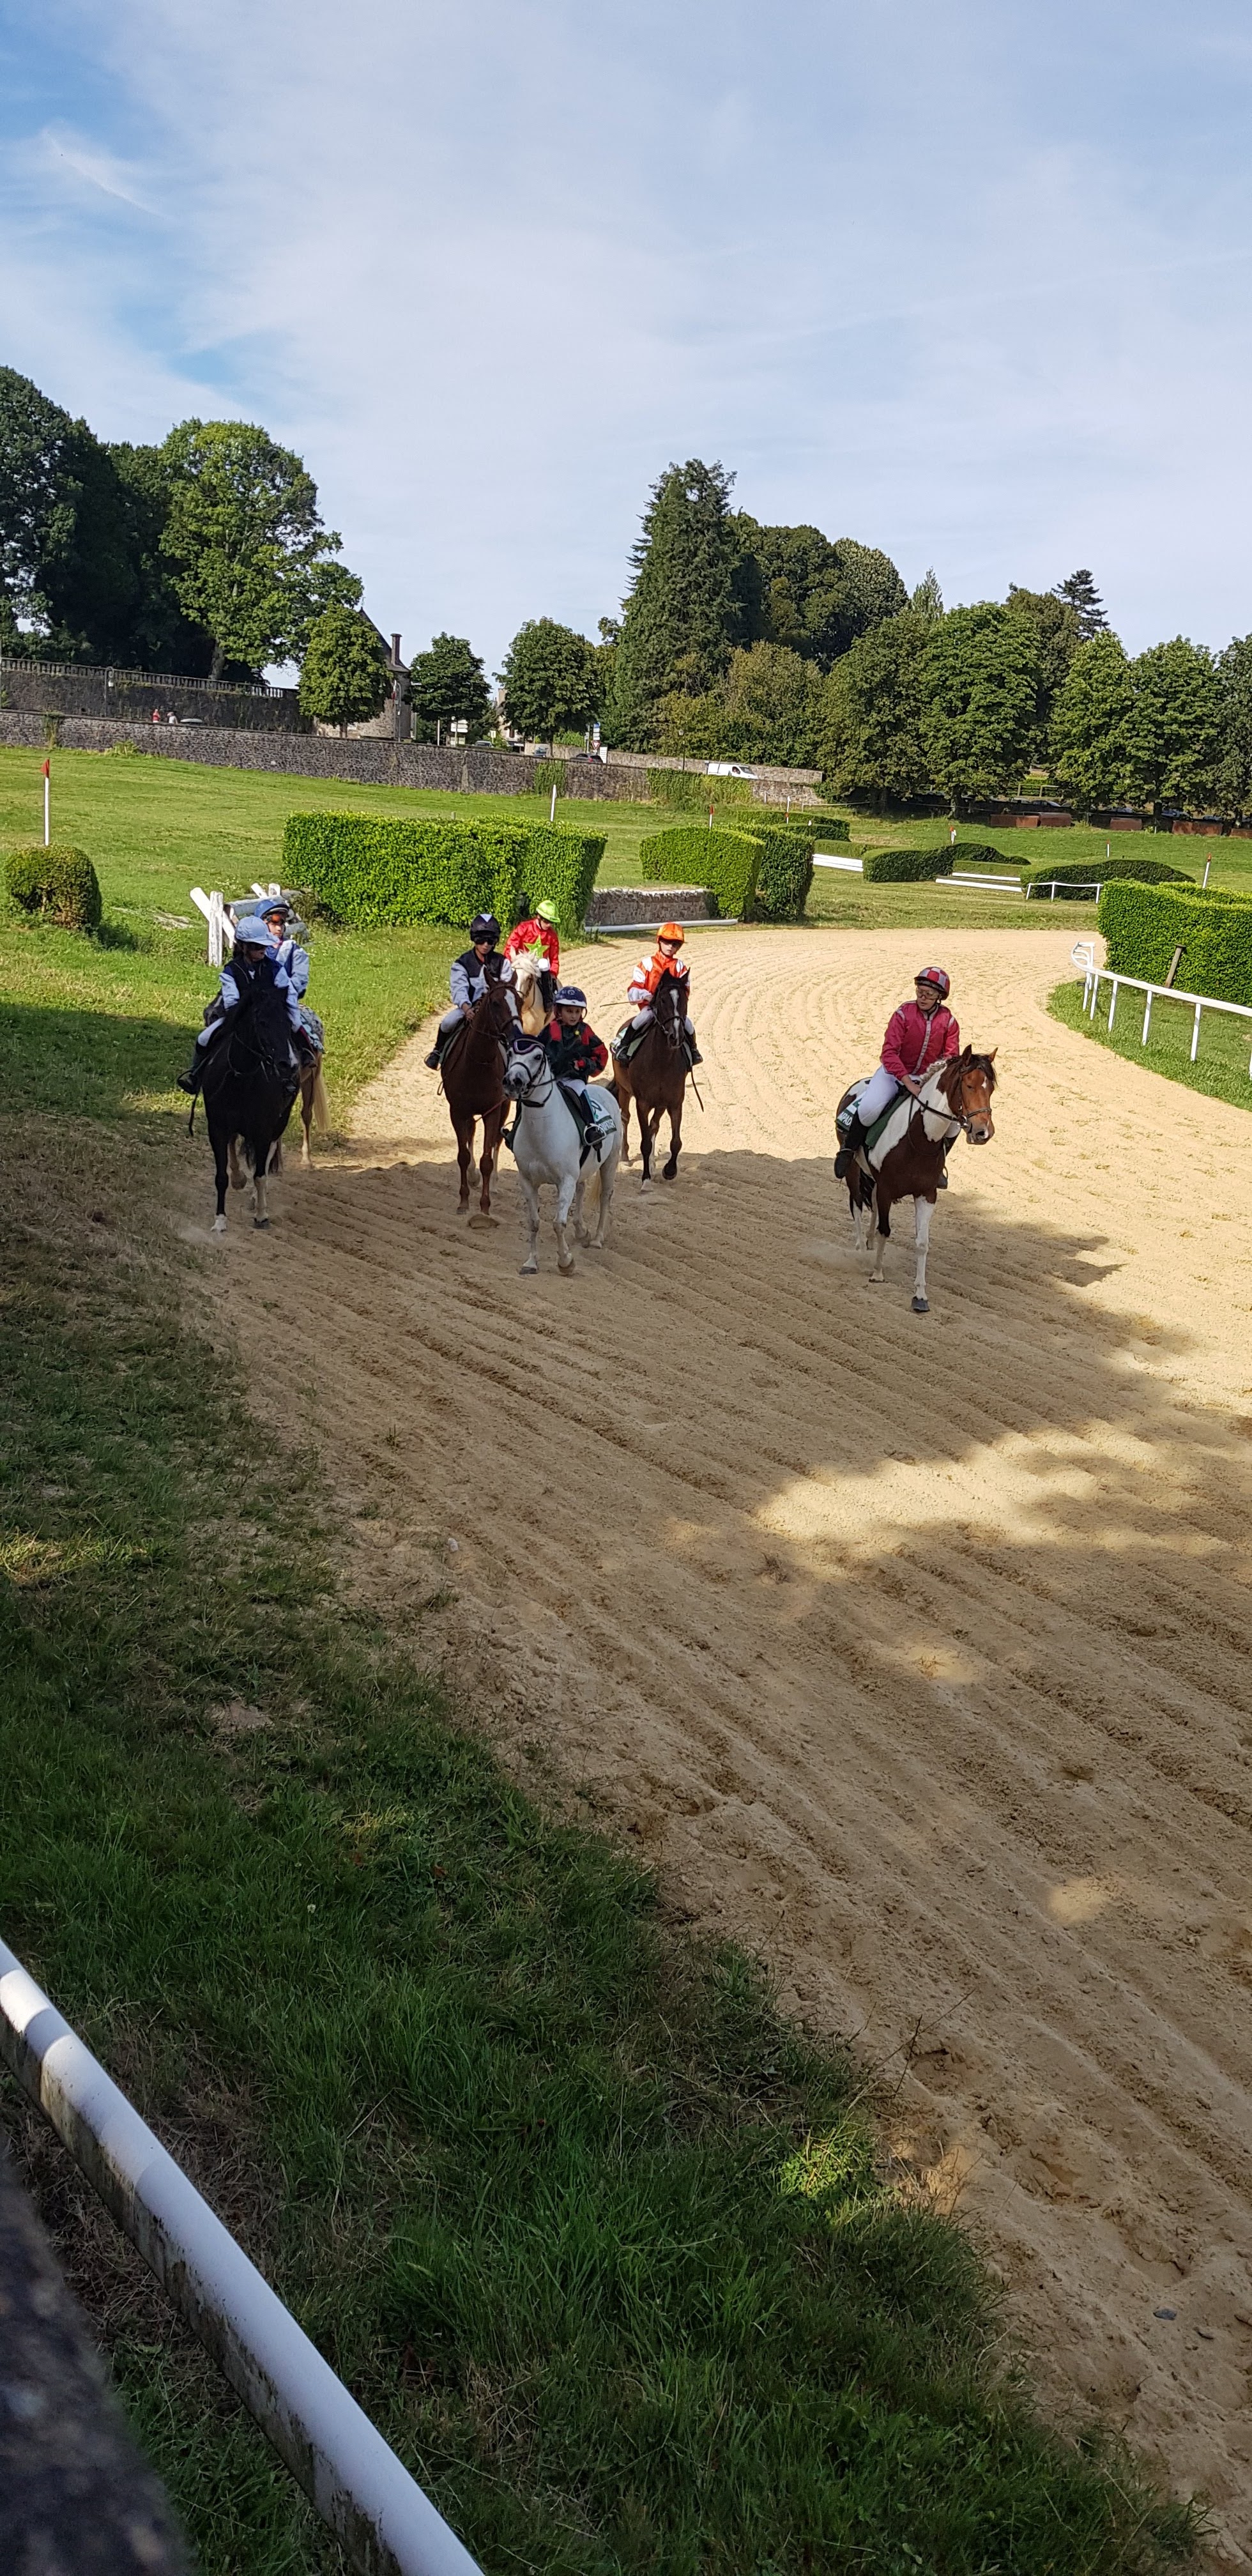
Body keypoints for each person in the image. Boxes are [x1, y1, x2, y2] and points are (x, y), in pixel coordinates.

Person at [834, 967, 960, 1181]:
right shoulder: (903, 1014)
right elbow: (889, 1053)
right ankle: (849, 1150)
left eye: (929, 994)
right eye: (920, 992)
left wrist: (933, 1082)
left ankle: (938, 1165)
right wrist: (907, 1081)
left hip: (927, 1079)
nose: (923, 997)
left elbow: (950, 1057)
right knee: (868, 1110)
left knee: (954, 1124)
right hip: (893, 1074)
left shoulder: (949, 1021)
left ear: (940, 996)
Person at [176, 918, 308, 1095]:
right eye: (257, 946)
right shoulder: (231, 971)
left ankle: (293, 1074)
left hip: (271, 1015)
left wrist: (294, 1019)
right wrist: (246, 1015)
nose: (263, 949)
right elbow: (231, 1001)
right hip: (239, 1016)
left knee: (294, 1034)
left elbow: (289, 994)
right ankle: (195, 1076)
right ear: (244, 947)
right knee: (204, 1038)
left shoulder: (275, 968)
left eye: (264, 945)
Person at [611, 923, 701, 1066]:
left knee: (688, 1024)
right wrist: (645, 995)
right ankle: (624, 1046)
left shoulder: (680, 967)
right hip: (651, 1008)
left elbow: (685, 991)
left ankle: (693, 1050)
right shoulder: (647, 964)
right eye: (667, 942)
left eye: (675, 944)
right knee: (643, 1017)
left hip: (671, 1010)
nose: (670, 947)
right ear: (659, 941)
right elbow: (635, 987)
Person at [425, 912, 503, 1068]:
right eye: (481, 940)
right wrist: (467, 1009)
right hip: (469, 1009)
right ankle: (438, 1051)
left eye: (490, 941)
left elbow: (507, 988)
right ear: (474, 939)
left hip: (496, 1011)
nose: (486, 945)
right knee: (448, 1022)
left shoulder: (503, 962)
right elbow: (459, 990)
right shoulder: (462, 963)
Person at [257, 892, 326, 1064]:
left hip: (283, 1001)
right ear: (261, 923)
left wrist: (284, 993)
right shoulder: (252, 949)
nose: (279, 927)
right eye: (274, 922)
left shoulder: (294, 950)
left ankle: (307, 1052)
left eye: (282, 922)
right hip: (252, 1001)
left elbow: (300, 980)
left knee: (295, 1024)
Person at [544, 983, 610, 1159]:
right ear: (559, 1011)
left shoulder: (585, 1031)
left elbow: (602, 1054)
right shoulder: (551, 1029)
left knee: (581, 1092)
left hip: (574, 1080)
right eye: (569, 1011)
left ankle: (591, 1128)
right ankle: (516, 1129)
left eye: (577, 1012)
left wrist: (583, 1064)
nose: (574, 1016)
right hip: (550, 1079)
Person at [502, 898, 561, 1013]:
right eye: (546, 921)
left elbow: (554, 958)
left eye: (551, 922)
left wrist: (553, 974)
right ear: (539, 917)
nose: (548, 925)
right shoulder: (524, 928)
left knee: (544, 963)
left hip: (539, 967)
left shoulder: (552, 935)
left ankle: (548, 1001)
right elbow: (510, 947)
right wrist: (509, 962)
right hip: (522, 963)